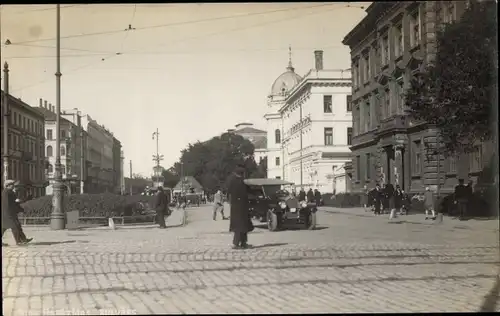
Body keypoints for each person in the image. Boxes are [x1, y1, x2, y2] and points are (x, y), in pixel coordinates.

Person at [227, 166, 253, 249]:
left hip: (235, 207)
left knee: (240, 226)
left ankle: (243, 243)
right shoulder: (242, 182)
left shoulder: (232, 181)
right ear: (241, 174)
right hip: (242, 207)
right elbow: (248, 192)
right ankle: (237, 243)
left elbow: (229, 192)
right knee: (241, 226)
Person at [2, 180, 32, 246]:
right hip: (7, 214)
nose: (13, 186)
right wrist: (9, 213)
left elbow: (15, 204)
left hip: (11, 213)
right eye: (12, 185)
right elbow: (6, 204)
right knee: (14, 227)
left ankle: (23, 239)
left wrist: (21, 209)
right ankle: (19, 241)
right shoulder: (6, 192)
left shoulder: (11, 192)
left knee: (16, 226)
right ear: (8, 185)